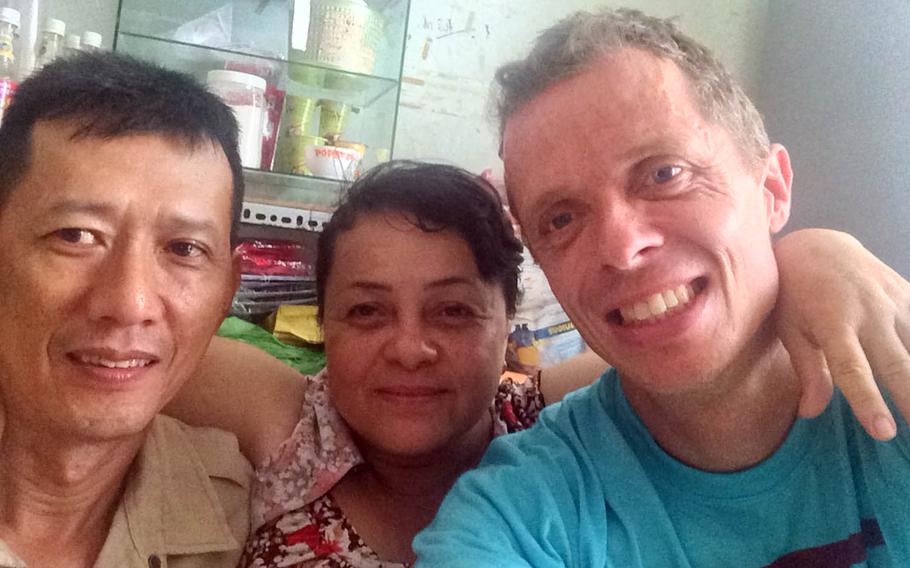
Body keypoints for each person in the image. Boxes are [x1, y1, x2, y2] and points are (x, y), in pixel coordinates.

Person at [413, 8, 910, 566]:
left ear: (771, 187)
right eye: (561, 219)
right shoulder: (520, 517)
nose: (622, 249)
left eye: (664, 174)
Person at [0, 52, 251, 566]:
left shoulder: (244, 510)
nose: (129, 303)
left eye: (184, 249)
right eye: (76, 236)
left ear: (227, 292)